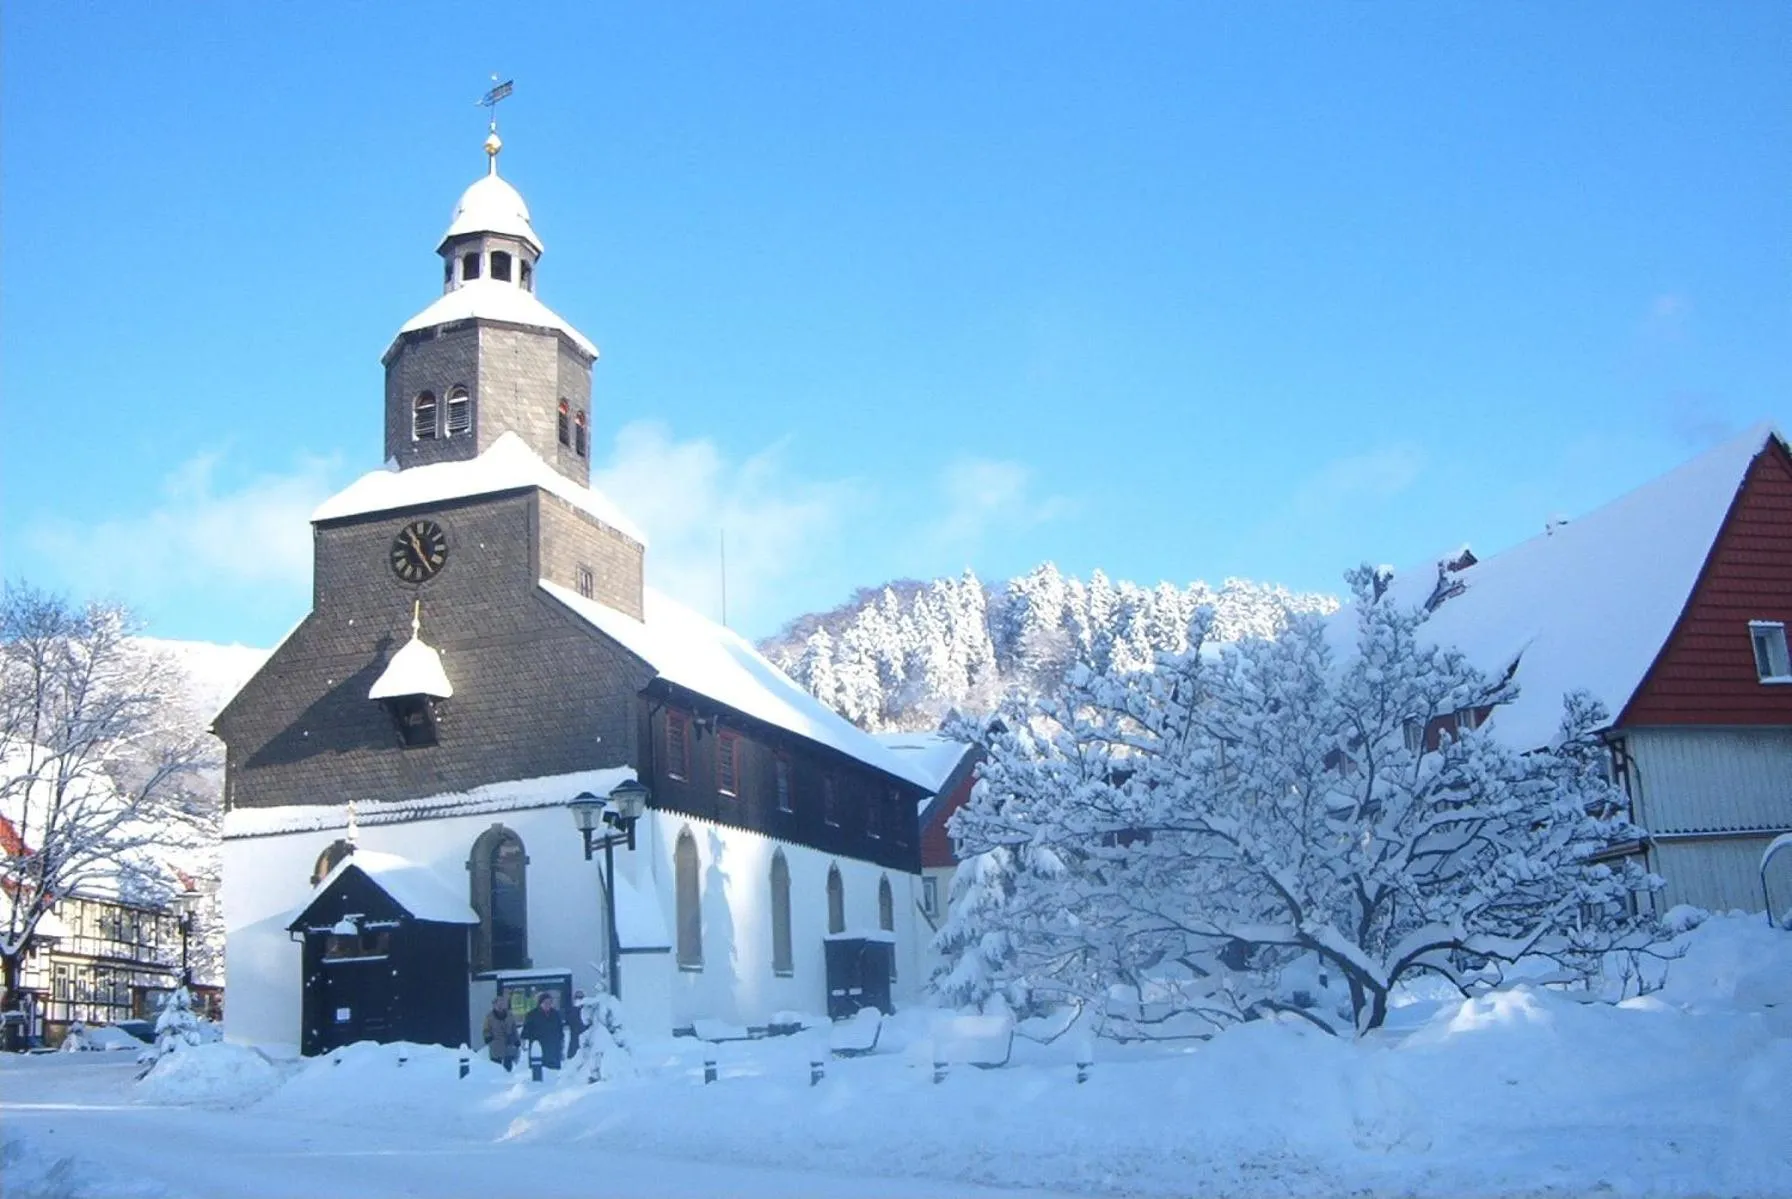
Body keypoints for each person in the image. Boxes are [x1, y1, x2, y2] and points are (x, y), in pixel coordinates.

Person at [521, 991, 566, 1072]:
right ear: (540, 1003)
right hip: (538, 1048)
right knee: (539, 1072)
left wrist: (561, 1046)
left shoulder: (555, 1014)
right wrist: (523, 1042)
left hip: (553, 1049)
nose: (548, 1005)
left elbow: (560, 1031)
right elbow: (526, 1031)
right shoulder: (532, 1015)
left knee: (553, 1071)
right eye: (545, 1002)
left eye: (549, 1002)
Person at [481, 993, 519, 1071]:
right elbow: (486, 1029)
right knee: (496, 1066)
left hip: (508, 1043)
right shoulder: (489, 1017)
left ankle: (508, 1077)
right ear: (494, 1005)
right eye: (498, 1003)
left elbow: (514, 1028)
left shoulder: (509, 1015)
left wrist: (516, 1039)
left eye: (502, 1003)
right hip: (496, 1044)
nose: (500, 1005)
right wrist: (488, 1037)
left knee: (508, 1066)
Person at [566, 990, 588, 1060]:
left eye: (581, 998)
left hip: (585, 1042)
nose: (579, 999)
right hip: (574, 1043)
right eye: (577, 998)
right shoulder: (571, 1011)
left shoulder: (587, 1011)